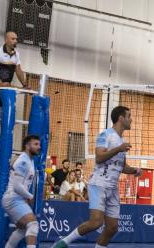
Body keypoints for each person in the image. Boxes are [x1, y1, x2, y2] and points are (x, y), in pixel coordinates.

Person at [53, 106, 142, 248]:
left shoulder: (122, 141)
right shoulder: (106, 135)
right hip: (99, 184)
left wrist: (134, 170)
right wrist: (118, 149)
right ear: (121, 118)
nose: (131, 119)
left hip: (112, 188)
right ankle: (63, 242)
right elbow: (99, 157)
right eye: (129, 116)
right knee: (96, 222)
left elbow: (122, 166)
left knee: (112, 227)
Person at [0, 31, 29, 149]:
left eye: (16, 39)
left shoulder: (17, 54)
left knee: (8, 114)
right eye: (13, 39)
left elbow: (19, 71)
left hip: (7, 89)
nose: (15, 41)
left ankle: (3, 141)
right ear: (6, 40)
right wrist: (0, 84)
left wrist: (25, 84)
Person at [2, 135, 40, 248]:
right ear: (27, 146)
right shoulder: (23, 161)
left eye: (39, 144)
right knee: (33, 224)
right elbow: (16, 186)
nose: (39, 147)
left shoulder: (29, 160)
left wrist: (25, 197)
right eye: (35, 144)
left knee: (23, 229)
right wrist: (29, 196)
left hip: (16, 198)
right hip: (13, 198)